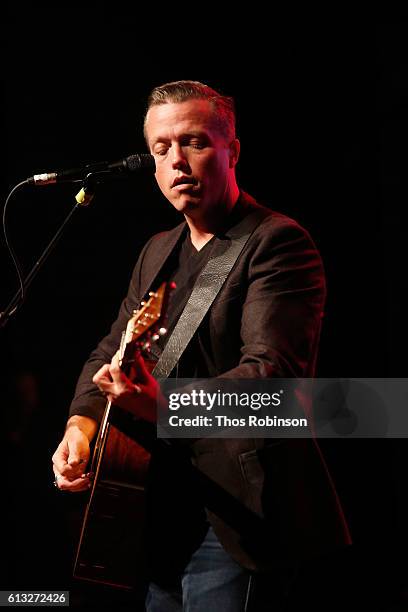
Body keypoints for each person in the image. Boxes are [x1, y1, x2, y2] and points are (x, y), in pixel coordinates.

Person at [52, 80, 351, 611]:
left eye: (194, 142)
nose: (177, 162)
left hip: (237, 514)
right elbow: (109, 353)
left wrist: (162, 405)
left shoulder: (274, 242)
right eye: (161, 149)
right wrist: (82, 424)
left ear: (232, 151)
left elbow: (274, 382)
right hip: (156, 506)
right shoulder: (157, 250)